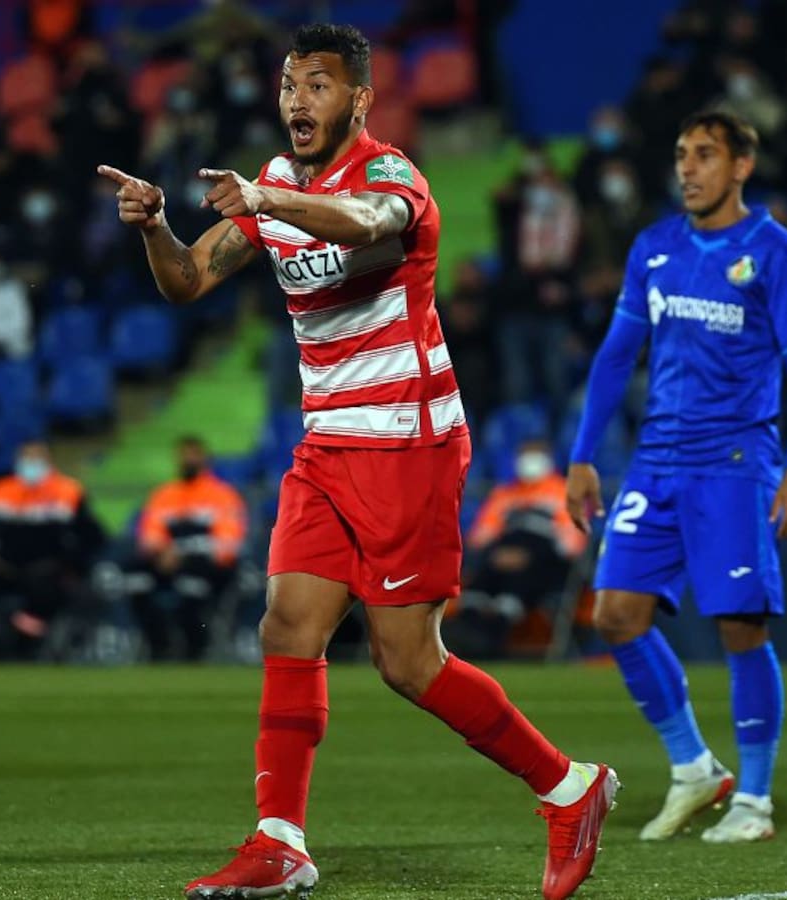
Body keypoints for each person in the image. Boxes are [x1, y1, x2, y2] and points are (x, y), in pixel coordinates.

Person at [97, 24, 616, 900]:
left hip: (408, 446)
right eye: (290, 84)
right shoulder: (276, 183)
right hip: (327, 443)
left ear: (361, 99)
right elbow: (187, 280)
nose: (299, 101)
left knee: (409, 663)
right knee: (288, 627)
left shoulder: (390, 178)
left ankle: (570, 788)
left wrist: (266, 204)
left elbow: (366, 224)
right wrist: (156, 227)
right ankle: (279, 841)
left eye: (320, 85)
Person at [566, 109, 787, 844]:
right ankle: (694, 769)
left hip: (735, 463)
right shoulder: (655, 248)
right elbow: (618, 356)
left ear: (741, 166)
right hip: (657, 459)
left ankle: (756, 801)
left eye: (705, 155)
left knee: (740, 625)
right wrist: (585, 452)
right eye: (682, 154)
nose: (688, 168)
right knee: (616, 615)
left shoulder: (776, 254)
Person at [0, 440, 104, 660]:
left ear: (50, 461)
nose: (31, 464)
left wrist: (68, 564)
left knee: (46, 591)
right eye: (26, 458)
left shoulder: (68, 492)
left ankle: (22, 649)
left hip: (46, 571)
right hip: (2, 568)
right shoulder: (0, 490)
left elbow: (93, 537)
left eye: (37, 458)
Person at [450, 439, 586, 658]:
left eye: (536, 455)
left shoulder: (564, 492)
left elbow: (572, 543)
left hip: (543, 563)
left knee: (517, 584)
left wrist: (529, 555)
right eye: (525, 455)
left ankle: (490, 642)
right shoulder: (505, 494)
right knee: (478, 584)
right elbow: (480, 535)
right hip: (500, 559)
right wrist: (499, 553)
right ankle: (468, 638)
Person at [124, 436, 247, 661]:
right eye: (184, 455)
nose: (188, 460)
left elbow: (228, 543)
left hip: (209, 565)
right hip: (166, 563)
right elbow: (149, 534)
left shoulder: (223, 495)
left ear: (205, 459)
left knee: (191, 580)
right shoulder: (164, 495)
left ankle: (194, 650)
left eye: (193, 455)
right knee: (135, 573)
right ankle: (158, 646)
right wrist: (162, 552)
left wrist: (180, 552)